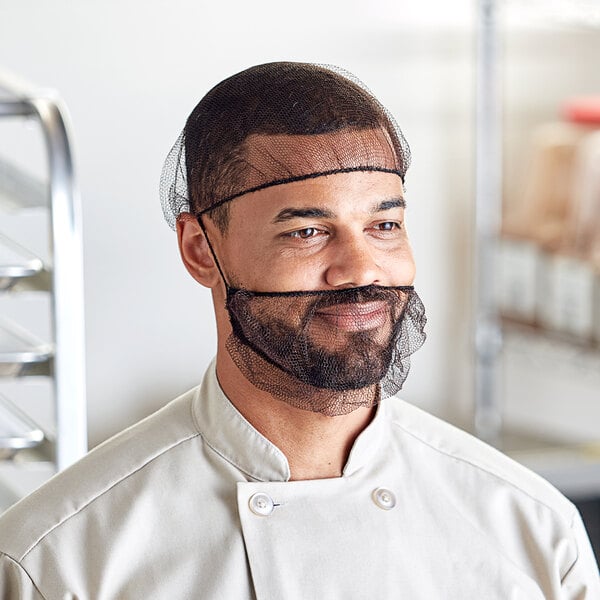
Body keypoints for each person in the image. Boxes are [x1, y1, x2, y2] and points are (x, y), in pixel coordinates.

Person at [0, 62, 598, 599]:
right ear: (200, 250)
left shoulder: (535, 531)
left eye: (385, 225)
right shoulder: (56, 560)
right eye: (307, 232)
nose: (363, 268)